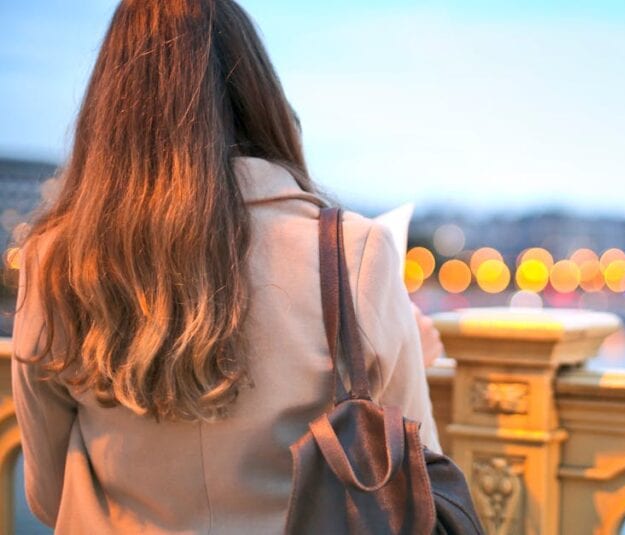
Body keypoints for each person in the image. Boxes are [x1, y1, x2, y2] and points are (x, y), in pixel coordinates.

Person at [11, 1, 440, 532]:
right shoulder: (355, 252)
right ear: (259, 95)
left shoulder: (54, 258)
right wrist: (414, 355)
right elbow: (414, 483)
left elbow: (47, 492)